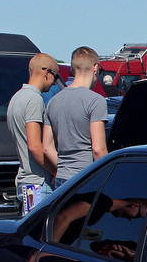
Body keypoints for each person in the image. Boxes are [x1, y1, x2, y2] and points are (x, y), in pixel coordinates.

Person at [44, 46, 108, 188]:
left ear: (72, 69)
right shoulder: (95, 100)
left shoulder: (53, 101)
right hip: (85, 178)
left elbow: (47, 147)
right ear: (95, 68)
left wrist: (63, 168)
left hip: (61, 178)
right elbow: (98, 149)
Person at [8, 53, 62, 214]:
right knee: (39, 235)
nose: (53, 83)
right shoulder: (34, 100)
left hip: (27, 181)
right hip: (38, 184)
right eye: (55, 76)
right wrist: (55, 170)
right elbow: (34, 146)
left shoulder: (17, 98)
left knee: (29, 232)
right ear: (47, 72)